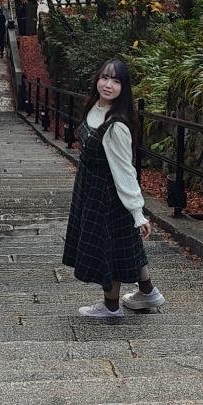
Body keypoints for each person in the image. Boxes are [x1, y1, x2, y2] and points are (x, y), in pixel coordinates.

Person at [61, 58, 166, 320]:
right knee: (125, 244)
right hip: (90, 188)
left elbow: (125, 170)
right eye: (105, 78)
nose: (108, 85)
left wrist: (137, 212)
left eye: (116, 81)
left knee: (108, 247)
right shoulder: (94, 108)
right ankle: (147, 292)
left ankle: (111, 306)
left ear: (124, 88)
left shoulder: (116, 125)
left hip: (107, 194)